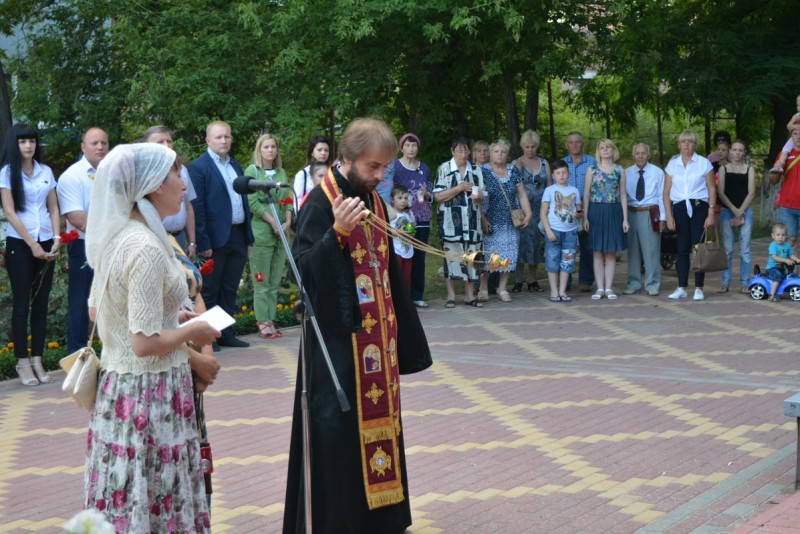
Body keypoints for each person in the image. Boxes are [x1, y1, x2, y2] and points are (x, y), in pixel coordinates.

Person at [284, 117, 432, 534]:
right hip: (337, 351)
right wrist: (338, 232)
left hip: (377, 350)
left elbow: (386, 272)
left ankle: (381, 523)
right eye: (373, 166)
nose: (380, 175)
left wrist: (406, 339)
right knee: (339, 439)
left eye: (384, 167)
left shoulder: (374, 201)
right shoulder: (320, 203)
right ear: (347, 158)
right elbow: (302, 274)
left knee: (381, 430)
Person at [83, 143, 219, 532]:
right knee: (155, 496)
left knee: (128, 494)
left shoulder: (119, 235)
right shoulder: (145, 247)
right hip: (150, 395)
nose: (183, 184)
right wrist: (192, 330)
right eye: (177, 175)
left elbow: (103, 311)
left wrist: (170, 316)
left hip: (121, 394)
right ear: (156, 184)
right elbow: (143, 343)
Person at [0, 124, 60, 386]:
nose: (28, 146)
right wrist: (32, 244)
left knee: (41, 304)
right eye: (23, 141)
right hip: (20, 243)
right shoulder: (6, 173)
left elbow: (53, 207)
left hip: (46, 239)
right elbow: (10, 212)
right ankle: (22, 362)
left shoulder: (45, 171)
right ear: (15, 145)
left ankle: (37, 359)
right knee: (22, 303)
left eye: (32, 141)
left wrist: (56, 238)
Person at [189, 120, 254, 350]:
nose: (223, 141)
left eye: (227, 136)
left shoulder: (236, 166)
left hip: (237, 234)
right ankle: (209, 337)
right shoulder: (198, 168)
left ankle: (226, 333)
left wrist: (248, 237)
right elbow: (197, 207)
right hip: (214, 239)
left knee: (230, 287)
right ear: (208, 140)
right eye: (218, 137)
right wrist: (202, 241)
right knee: (210, 289)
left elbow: (244, 203)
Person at [56, 127, 109, 354]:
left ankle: (112, 353)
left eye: (104, 143)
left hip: (113, 244)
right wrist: (111, 231)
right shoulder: (72, 176)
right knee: (82, 302)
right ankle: (77, 356)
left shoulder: (114, 172)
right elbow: (76, 217)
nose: (100, 147)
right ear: (83, 147)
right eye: (95, 143)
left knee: (112, 301)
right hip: (84, 246)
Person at [245, 134, 292, 339]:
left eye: (273, 146)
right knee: (261, 281)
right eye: (266, 147)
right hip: (262, 233)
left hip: (281, 233)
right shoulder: (253, 171)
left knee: (274, 282)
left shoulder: (281, 172)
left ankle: (271, 320)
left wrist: (287, 220)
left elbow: (288, 199)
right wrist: (273, 222)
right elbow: (253, 202)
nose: (270, 150)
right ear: (259, 150)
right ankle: (262, 322)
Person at [432, 137, 485, 308]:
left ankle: (470, 296)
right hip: (450, 223)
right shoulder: (444, 169)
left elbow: (483, 194)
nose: (463, 154)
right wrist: (459, 188)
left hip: (472, 222)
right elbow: (437, 197)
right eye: (459, 151)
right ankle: (451, 296)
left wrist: (479, 196)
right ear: (452, 151)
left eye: (466, 151)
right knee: (451, 257)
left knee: (472, 257)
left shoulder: (476, 170)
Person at [381, 133, 432, 308]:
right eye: (408, 145)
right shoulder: (394, 166)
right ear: (401, 148)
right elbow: (387, 189)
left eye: (414, 145)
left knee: (418, 257)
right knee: (399, 257)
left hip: (421, 217)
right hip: (398, 218)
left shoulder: (424, 168)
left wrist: (426, 194)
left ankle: (417, 296)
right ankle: (399, 298)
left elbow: (431, 194)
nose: (411, 148)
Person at [664, 130, 716, 301]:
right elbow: (666, 193)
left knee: (698, 247)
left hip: (699, 206)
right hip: (679, 207)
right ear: (679, 145)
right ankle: (681, 287)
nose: (686, 144)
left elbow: (711, 189)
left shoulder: (704, 163)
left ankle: (699, 288)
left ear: (695, 145)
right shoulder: (672, 165)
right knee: (682, 248)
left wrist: (710, 214)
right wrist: (669, 216)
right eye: (683, 141)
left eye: (690, 141)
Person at [478, 139, 532, 303]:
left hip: (511, 221)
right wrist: (482, 218)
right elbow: (477, 198)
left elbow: (521, 193)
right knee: (489, 255)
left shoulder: (513, 170)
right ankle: (483, 287)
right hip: (490, 219)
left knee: (509, 254)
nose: (500, 154)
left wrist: (528, 213)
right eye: (496, 151)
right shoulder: (483, 171)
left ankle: (502, 288)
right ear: (490, 154)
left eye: (503, 152)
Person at [583, 139, 628, 300]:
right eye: (602, 148)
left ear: (613, 150)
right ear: (598, 151)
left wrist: (625, 219)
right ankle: (599, 288)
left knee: (610, 253)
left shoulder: (619, 170)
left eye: (608, 147)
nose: (605, 150)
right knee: (597, 252)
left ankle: (608, 288)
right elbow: (586, 195)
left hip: (614, 212)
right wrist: (585, 217)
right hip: (596, 212)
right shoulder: (591, 170)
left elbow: (623, 195)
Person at [143, 125, 197, 255]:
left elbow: (188, 207)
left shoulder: (182, 169)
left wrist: (192, 242)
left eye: (169, 141)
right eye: (160, 142)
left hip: (179, 237)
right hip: (154, 237)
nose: (166, 145)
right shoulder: (143, 173)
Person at [623, 143, 666, 296]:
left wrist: (663, 218)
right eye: (637, 153)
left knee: (651, 251)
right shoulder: (626, 172)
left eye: (643, 153)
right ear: (633, 155)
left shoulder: (657, 172)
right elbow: (622, 195)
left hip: (650, 212)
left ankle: (652, 284)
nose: (640, 156)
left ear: (648, 155)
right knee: (633, 251)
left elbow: (662, 196)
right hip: (631, 212)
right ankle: (633, 284)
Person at [511, 130, 549, 292]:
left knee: (536, 243)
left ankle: (532, 279)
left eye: (533, 146)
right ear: (522, 146)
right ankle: (518, 280)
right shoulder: (516, 163)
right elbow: (512, 185)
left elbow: (549, 186)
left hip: (540, 209)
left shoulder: (544, 163)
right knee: (521, 244)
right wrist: (518, 169)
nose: (530, 149)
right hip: (522, 210)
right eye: (527, 147)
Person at [717, 139, 756, 293]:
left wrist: (741, 211)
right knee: (727, 249)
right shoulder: (723, 169)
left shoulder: (749, 169)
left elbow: (752, 193)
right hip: (727, 211)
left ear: (744, 152)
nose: (737, 153)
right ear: (730, 151)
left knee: (745, 249)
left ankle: (744, 283)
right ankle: (725, 283)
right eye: (734, 150)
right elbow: (721, 192)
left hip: (746, 211)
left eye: (740, 150)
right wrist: (734, 210)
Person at [540, 160, 582, 302]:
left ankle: (563, 291)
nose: (562, 175)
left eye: (564, 172)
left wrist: (578, 214)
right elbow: (543, 213)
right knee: (552, 261)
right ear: (553, 175)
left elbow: (579, 210)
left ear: (569, 174)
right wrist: (549, 231)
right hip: (554, 231)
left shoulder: (574, 190)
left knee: (567, 262)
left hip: (571, 232)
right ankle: (554, 291)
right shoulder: (549, 190)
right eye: (558, 173)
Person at [561, 131, 597, 292]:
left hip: (588, 206)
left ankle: (586, 280)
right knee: (567, 245)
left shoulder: (592, 162)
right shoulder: (562, 163)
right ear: (567, 145)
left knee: (587, 246)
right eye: (571, 142)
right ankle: (566, 280)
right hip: (566, 208)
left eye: (577, 142)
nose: (574, 145)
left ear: (583, 144)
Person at [770, 126, 800, 245]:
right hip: (787, 207)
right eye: (795, 133)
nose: (798, 136)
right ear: (791, 136)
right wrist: (776, 170)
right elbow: (774, 181)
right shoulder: (784, 155)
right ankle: (791, 258)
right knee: (790, 241)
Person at [293, 135, 331, 212]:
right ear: (312, 152)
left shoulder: (331, 172)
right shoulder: (303, 174)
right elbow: (297, 202)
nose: (323, 153)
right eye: (319, 150)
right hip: (307, 214)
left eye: (326, 150)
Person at [388, 184, 415, 290]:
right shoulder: (389, 215)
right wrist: (398, 232)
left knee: (407, 278)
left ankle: (406, 298)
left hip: (407, 252)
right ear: (392, 199)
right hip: (396, 252)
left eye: (405, 198)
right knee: (397, 279)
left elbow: (411, 233)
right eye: (399, 198)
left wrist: (411, 233)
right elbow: (385, 231)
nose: (403, 201)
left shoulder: (407, 215)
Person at [765, 223, 800, 301]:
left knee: (791, 276)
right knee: (777, 276)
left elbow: (791, 255)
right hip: (772, 268)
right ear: (773, 236)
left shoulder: (787, 245)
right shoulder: (773, 245)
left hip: (781, 268)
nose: (780, 237)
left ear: (786, 236)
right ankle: (772, 295)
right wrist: (785, 260)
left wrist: (797, 259)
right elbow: (774, 257)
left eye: (783, 235)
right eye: (778, 235)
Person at [773, 95, 800, 172]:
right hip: (795, 137)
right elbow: (788, 126)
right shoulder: (796, 116)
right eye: (798, 105)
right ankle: (780, 163)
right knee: (786, 149)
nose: (799, 107)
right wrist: (795, 127)